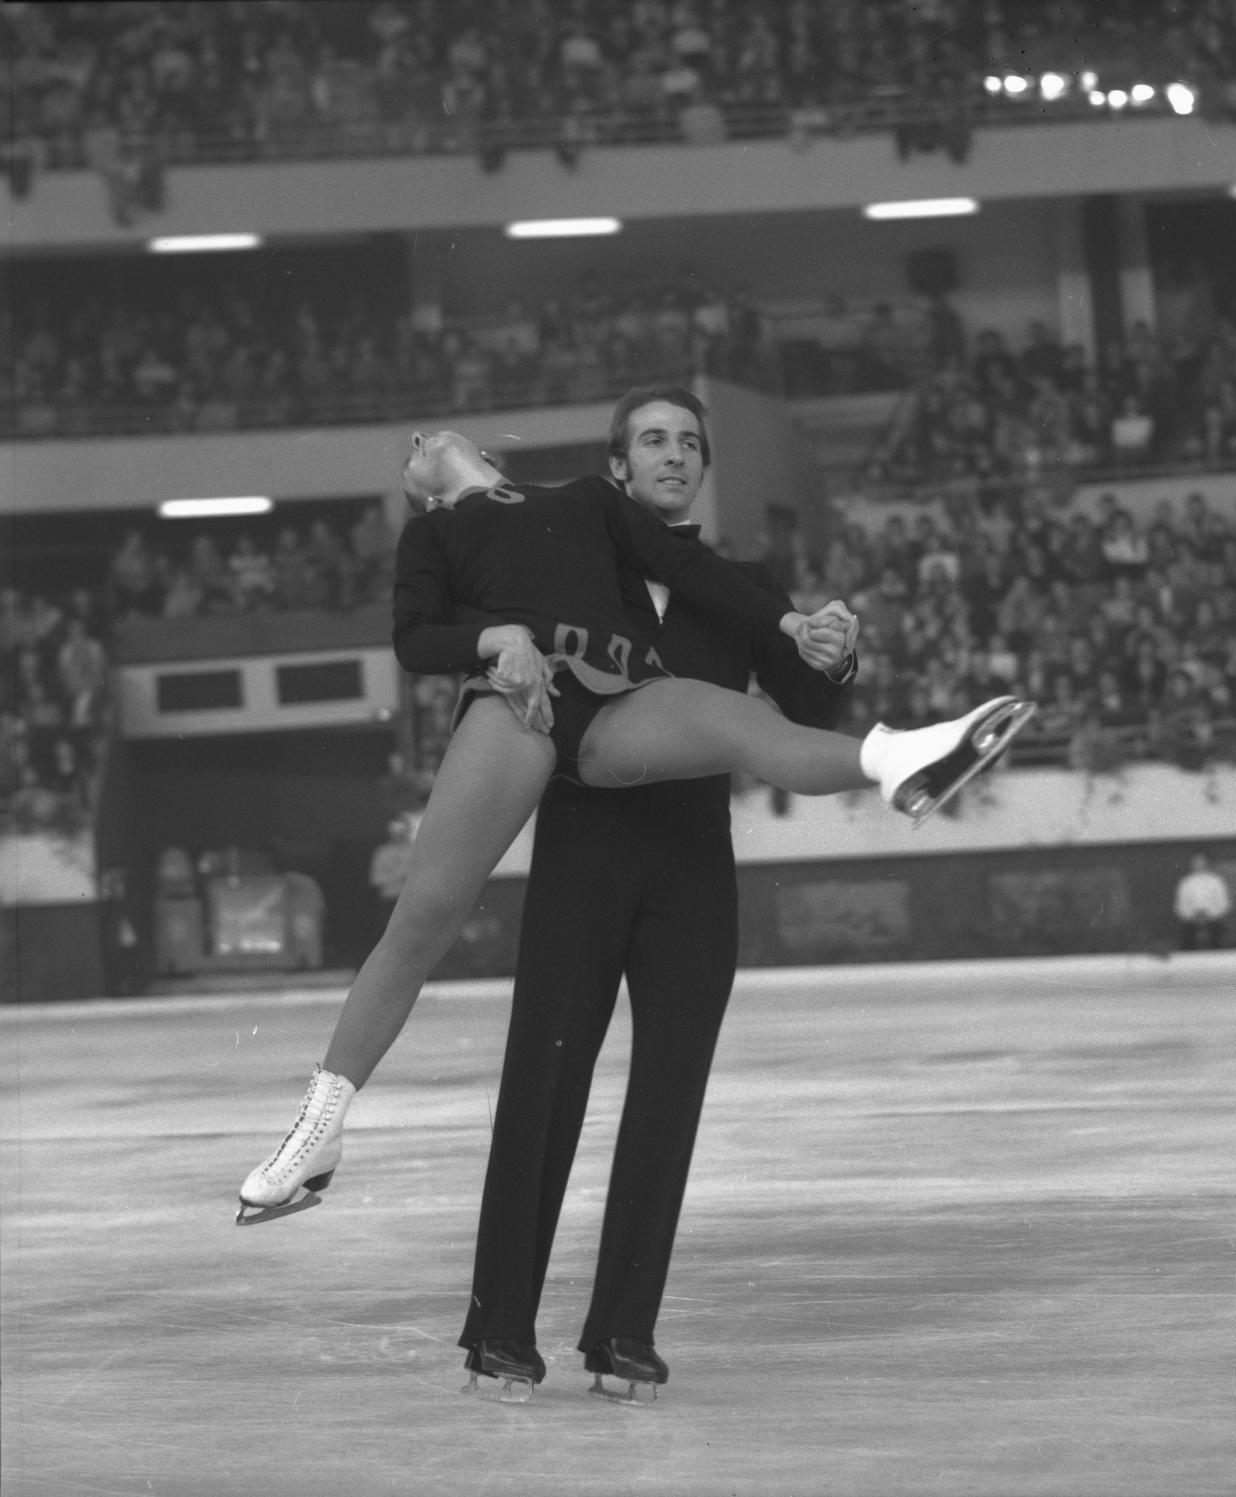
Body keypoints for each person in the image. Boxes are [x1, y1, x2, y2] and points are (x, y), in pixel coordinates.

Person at [237, 421, 1032, 1235]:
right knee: (427, 914)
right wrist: (494, 637)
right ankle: (319, 1126)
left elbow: (683, 562)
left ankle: (898, 758)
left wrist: (786, 625)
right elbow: (414, 638)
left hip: (624, 692)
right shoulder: (434, 533)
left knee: (746, 726)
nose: (417, 440)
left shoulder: (585, 497)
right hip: (522, 700)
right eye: (409, 455)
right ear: (425, 489)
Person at [458, 387, 857, 1404]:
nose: (673, 455)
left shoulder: (744, 585)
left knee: (668, 1097)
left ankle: (621, 1334)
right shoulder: (568, 571)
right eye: (653, 440)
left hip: (692, 863)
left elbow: (806, 709)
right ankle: (500, 1330)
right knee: (544, 1088)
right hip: (584, 850)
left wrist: (832, 649)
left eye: (689, 442)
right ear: (619, 468)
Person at [1173, 850, 1231, 950]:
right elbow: (1180, 906)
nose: (1199, 864)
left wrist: (1209, 916)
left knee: (1218, 943)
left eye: (1201, 861)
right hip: (1191, 923)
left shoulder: (1217, 881)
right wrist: (1193, 916)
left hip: (1213, 922)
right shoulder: (1185, 882)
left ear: (1207, 862)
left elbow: (1224, 904)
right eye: (1196, 861)